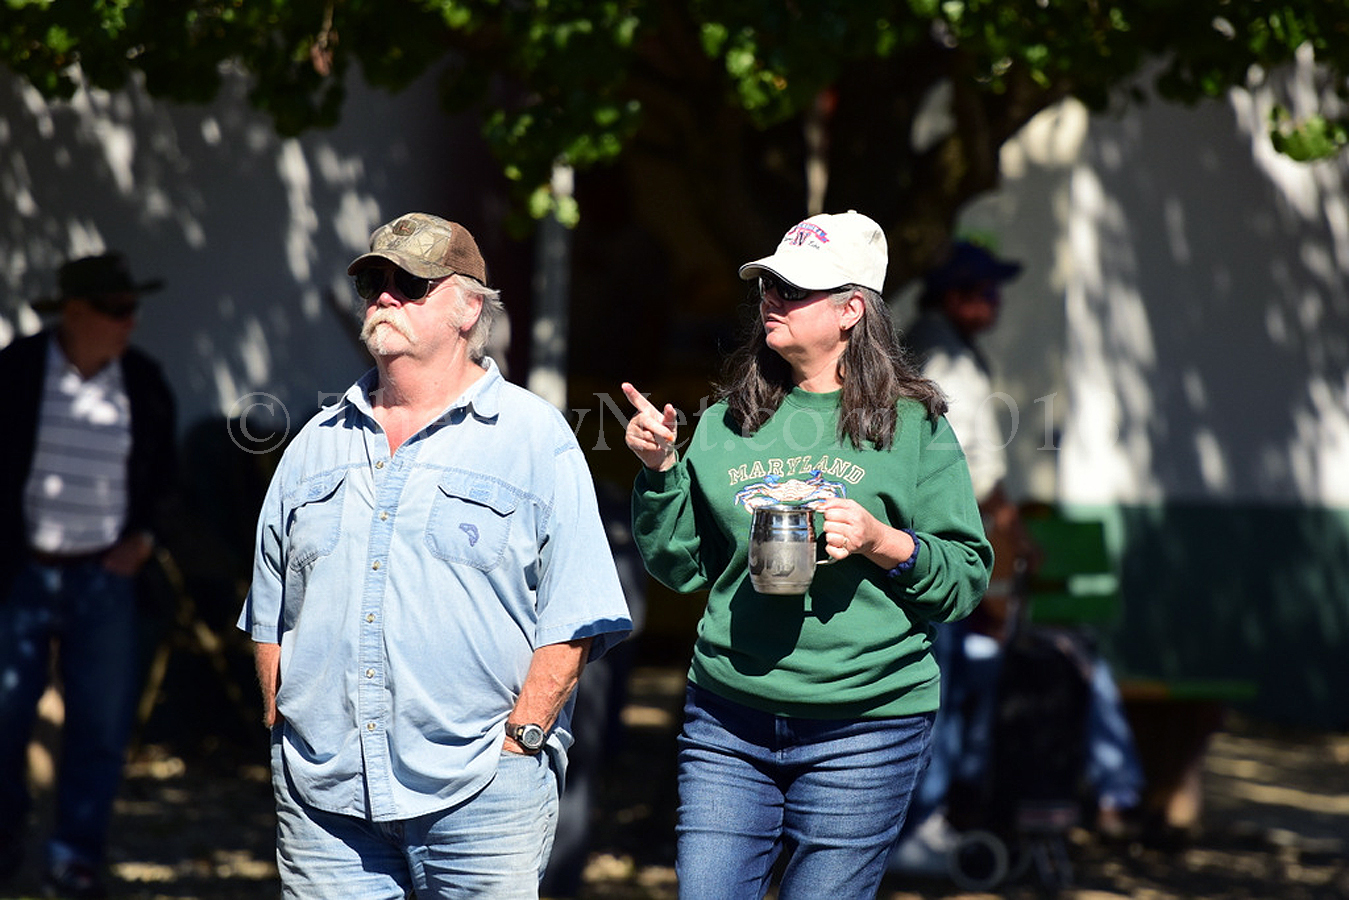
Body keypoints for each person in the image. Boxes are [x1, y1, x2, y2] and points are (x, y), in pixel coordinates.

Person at [238, 212, 632, 899]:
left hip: (483, 795)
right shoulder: (314, 442)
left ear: (468, 308)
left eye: (412, 284)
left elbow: (575, 615)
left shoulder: (534, 437)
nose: (385, 298)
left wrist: (521, 741)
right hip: (324, 801)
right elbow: (268, 612)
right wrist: (283, 731)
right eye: (374, 284)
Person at [621, 211, 992, 899]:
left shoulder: (914, 426)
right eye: (769, 285)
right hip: (728, 718)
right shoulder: (726, 421)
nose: (772, 298)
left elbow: (966, 579)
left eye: (794, 289)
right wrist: (661, 471)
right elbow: (680, 567)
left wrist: (883, 542)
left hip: (866, 725)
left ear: (852, 309)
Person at [893, 240, 1144, 869]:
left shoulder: (942, 346)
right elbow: (968, 467)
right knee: (936, 693)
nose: (996, 303)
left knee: (958, 687)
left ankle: (933, 818)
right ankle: (917, 826)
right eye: (985, 291)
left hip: (933, 550)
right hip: (930, 549)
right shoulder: (943, 356)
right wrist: (1011, 532)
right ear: (954, 296)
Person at [0, 253, 177, 899]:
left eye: (133, 308)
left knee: (101, 728)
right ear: (73, 312)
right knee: (4, 720)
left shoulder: (143, 382)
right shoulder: (17, 371)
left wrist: (143, 541)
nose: (130, 321)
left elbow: (166, 478)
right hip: (21, 574)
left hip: (103, 578)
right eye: (115, 309)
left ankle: (73, 858)